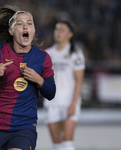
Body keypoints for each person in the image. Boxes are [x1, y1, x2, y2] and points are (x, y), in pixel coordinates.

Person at [0, 5, 56, 150]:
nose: (25, 27)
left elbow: (51, 93)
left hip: (24, 127)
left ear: (33, 30)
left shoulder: (43, 58)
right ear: (11, 31)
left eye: (29, 23)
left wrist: (39, 80)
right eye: (20, 24)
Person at [43, 20, 85, 150]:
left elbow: (79, 80)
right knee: (56, 143)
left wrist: (73, 103)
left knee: (67, 141)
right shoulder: (47, 54)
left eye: (62, 30)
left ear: (70, 34)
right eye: (57, 29)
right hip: (51, 101)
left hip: (68, 101)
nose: (58, 32)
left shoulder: (75, 53)